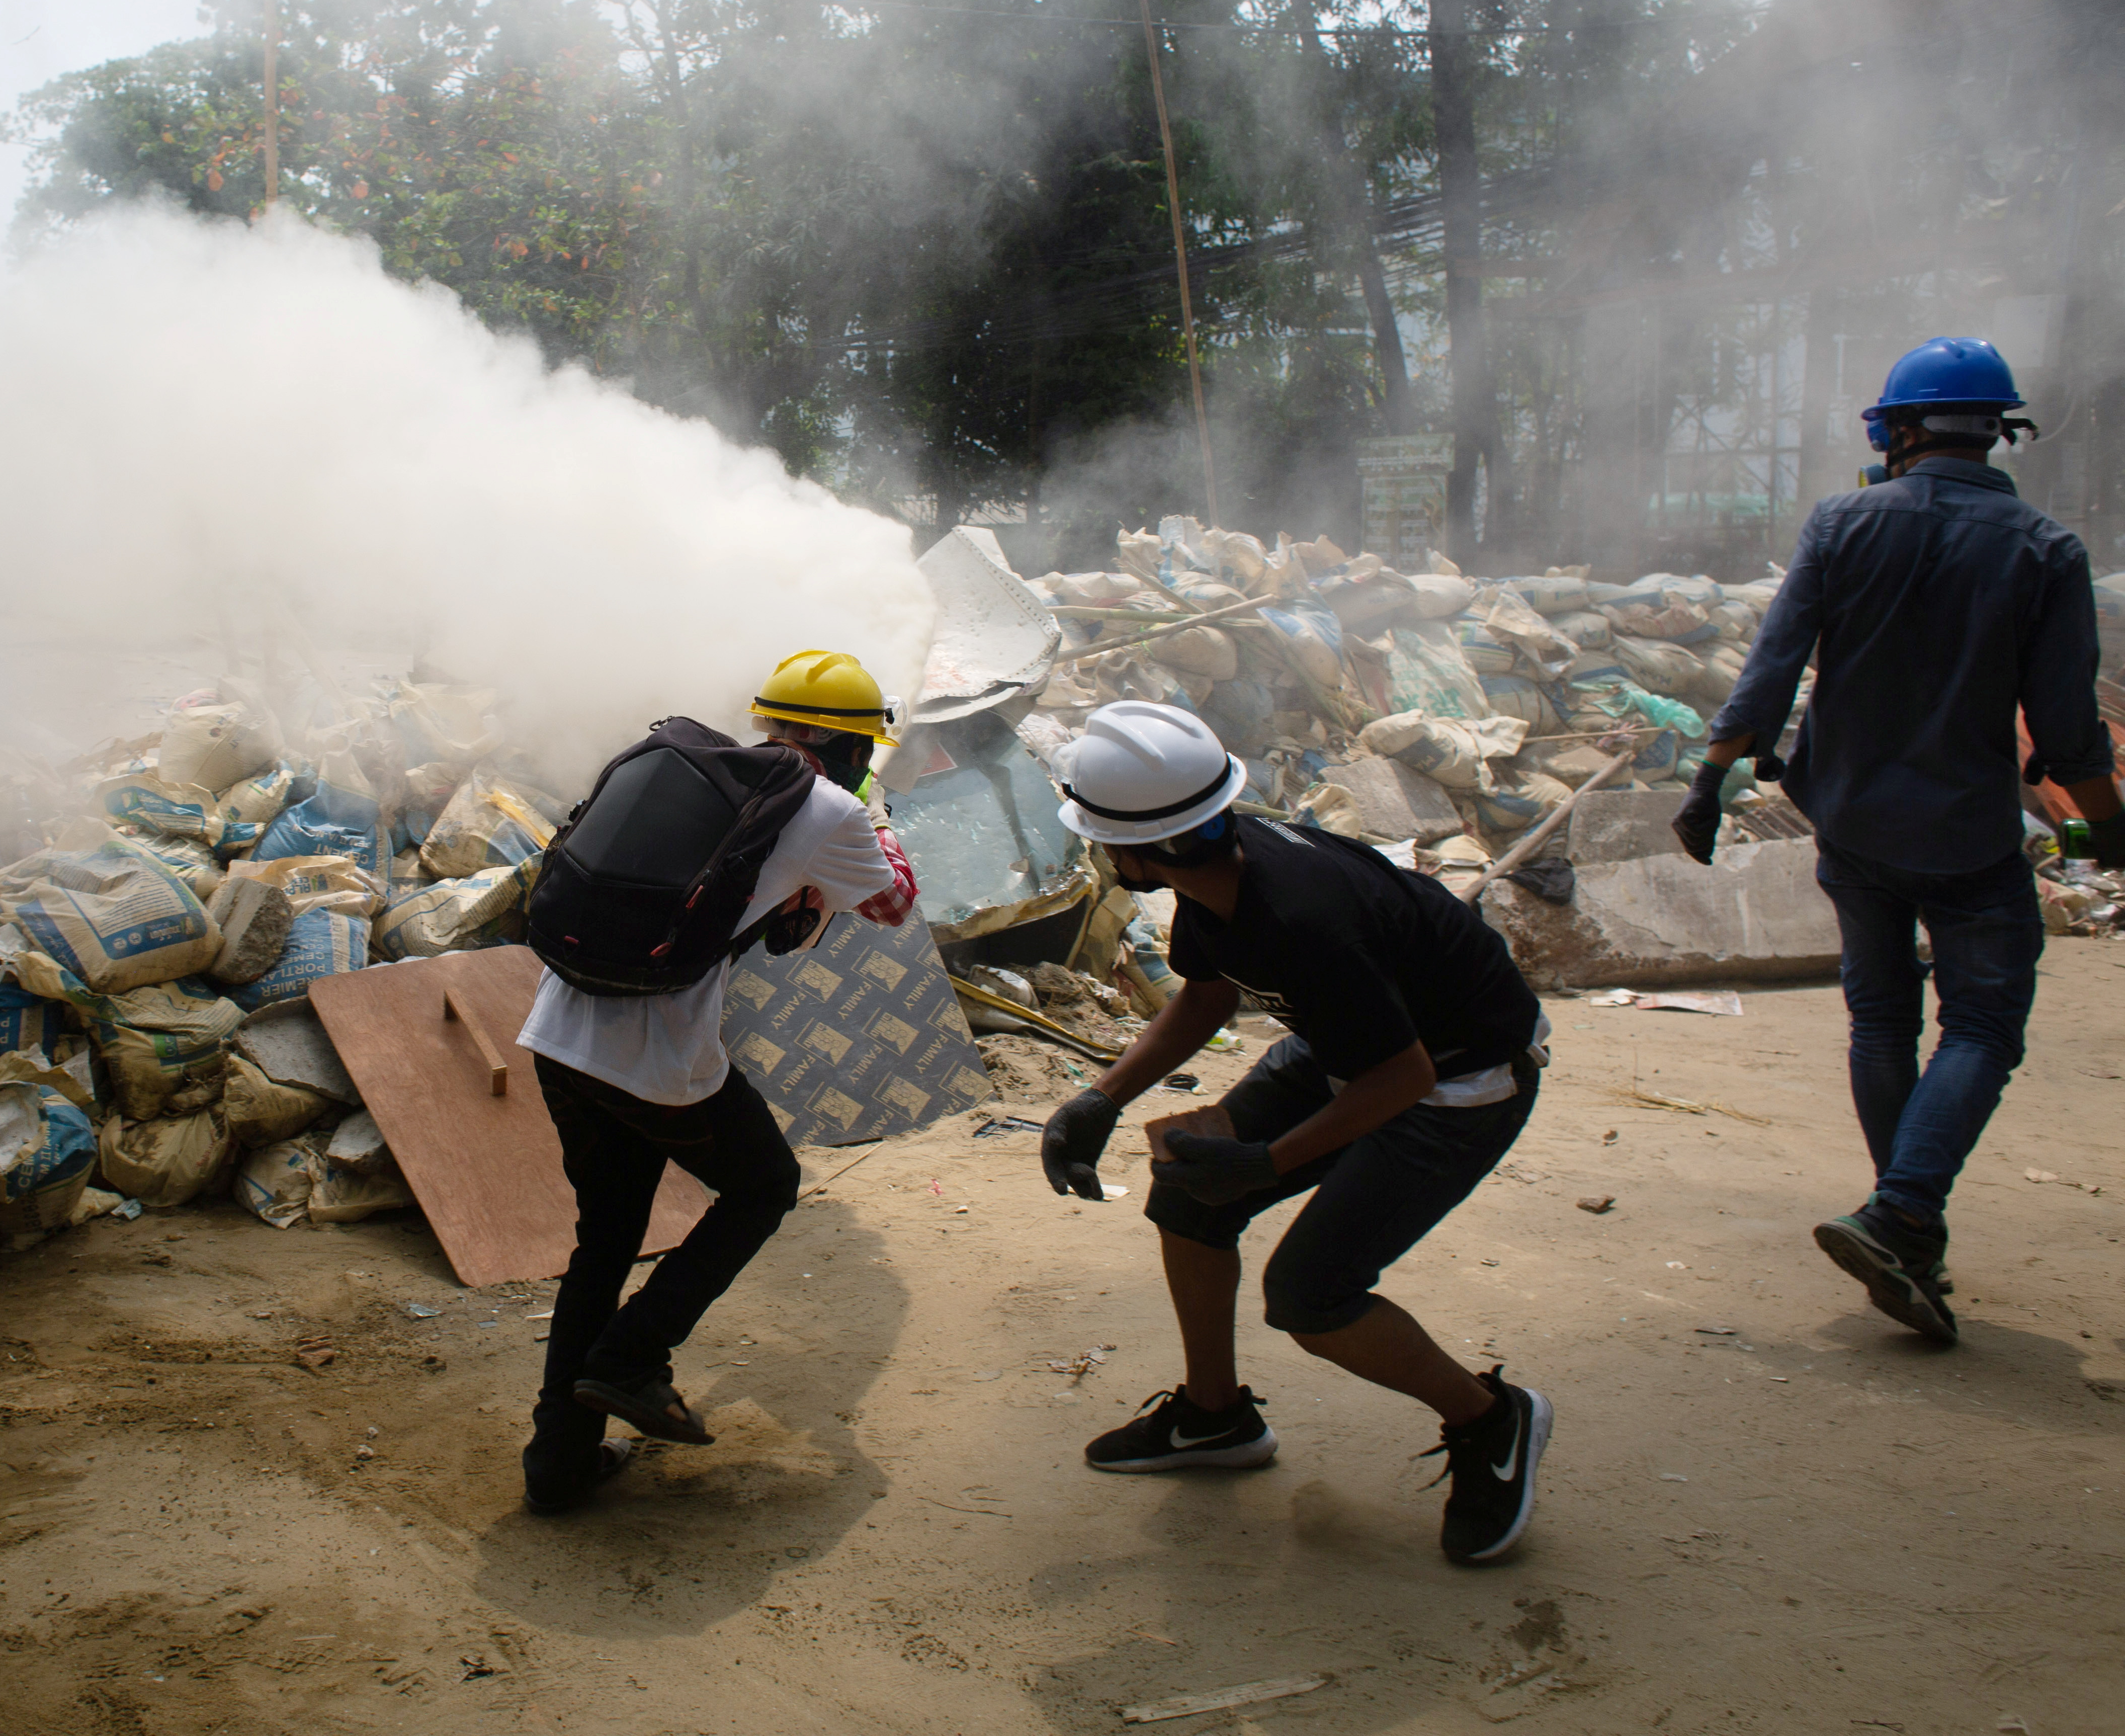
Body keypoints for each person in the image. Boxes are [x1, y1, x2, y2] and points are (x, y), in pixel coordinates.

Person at [1674, 336, 2121, 1344]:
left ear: (1900, 429)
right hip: (1968, 835)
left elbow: (1771, 669)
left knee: (1881, 1023)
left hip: (1854, 826)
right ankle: (1906, 1212)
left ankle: (1903, 1222)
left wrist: (1710, 783)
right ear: (1999, 432)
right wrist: (2110, 833)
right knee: (1984, 1026)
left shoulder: (1842, 523)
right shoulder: (2046, 551)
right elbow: (2065, 735)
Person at [1036, 701, 1556, 1565]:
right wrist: (1102, 1098)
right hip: (1352, 1048)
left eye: (1100, 835)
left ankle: (1491, 1418)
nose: (1098, 849)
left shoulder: (1305, 915)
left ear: (1145, 848)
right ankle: (1213, 1418)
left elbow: (1407, 1077)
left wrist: (1265, 1161)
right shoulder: (1218, 874)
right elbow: (1207, 994)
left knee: (1311, 1296)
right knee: (1188, 1196)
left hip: (1461, 1080)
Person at [514, 650, 918, 1514]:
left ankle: (558, 1462)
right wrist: (874, 811)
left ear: (767, 723)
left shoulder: (696, 775)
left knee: (606, 1239)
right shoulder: (831, 808)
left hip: (557, 1034)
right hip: (656, 1064)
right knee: (764, 1185)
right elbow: (892, 903)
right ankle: (632, 1358)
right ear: (855, 748)